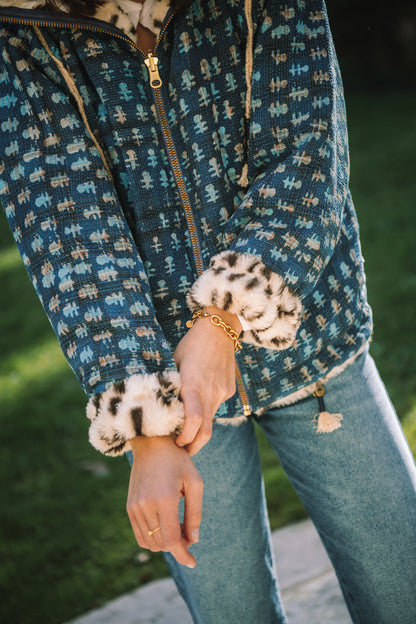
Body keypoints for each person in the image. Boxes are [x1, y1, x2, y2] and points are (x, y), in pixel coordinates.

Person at [0, 0, 415, 622]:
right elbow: (66, 227)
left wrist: (224, 319)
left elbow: (308, 155)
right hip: (171, 394)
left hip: (316, 346)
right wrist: (145, 424)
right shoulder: (19, 27)